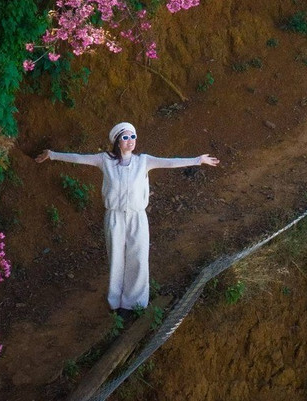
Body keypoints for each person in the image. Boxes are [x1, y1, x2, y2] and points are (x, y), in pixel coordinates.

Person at [36, 121, 219, 312]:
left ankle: (135, 303)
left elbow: (170, 162)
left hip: (137, 217)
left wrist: (198, 159)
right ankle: (115, 302)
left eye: (133, 137)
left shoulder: (144, 161)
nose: (130, 141)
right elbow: (78, 158)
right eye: (125, 137)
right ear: (117, 141)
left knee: (138, 256)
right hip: (114, 217)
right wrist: (52, 155)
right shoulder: (104, 160)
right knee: (116, 257)